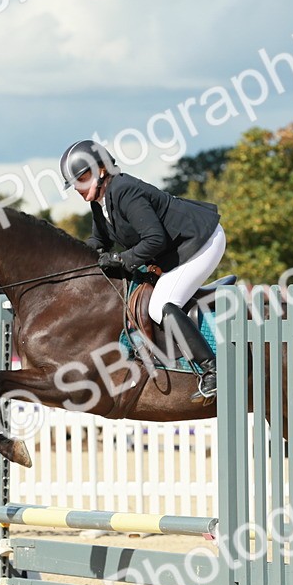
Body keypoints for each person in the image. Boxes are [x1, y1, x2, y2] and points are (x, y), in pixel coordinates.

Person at [59, 139, 225, 399]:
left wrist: (122, 259)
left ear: (102, 169)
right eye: (75, 183)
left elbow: (155, 239)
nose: (79, 187)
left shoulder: (124, 190)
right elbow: (98, 244)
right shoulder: (99, 201)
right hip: (174, 249)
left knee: (161, 305)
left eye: (83, 177)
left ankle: (213, 370)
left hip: (201, 241)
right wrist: (70, 265)